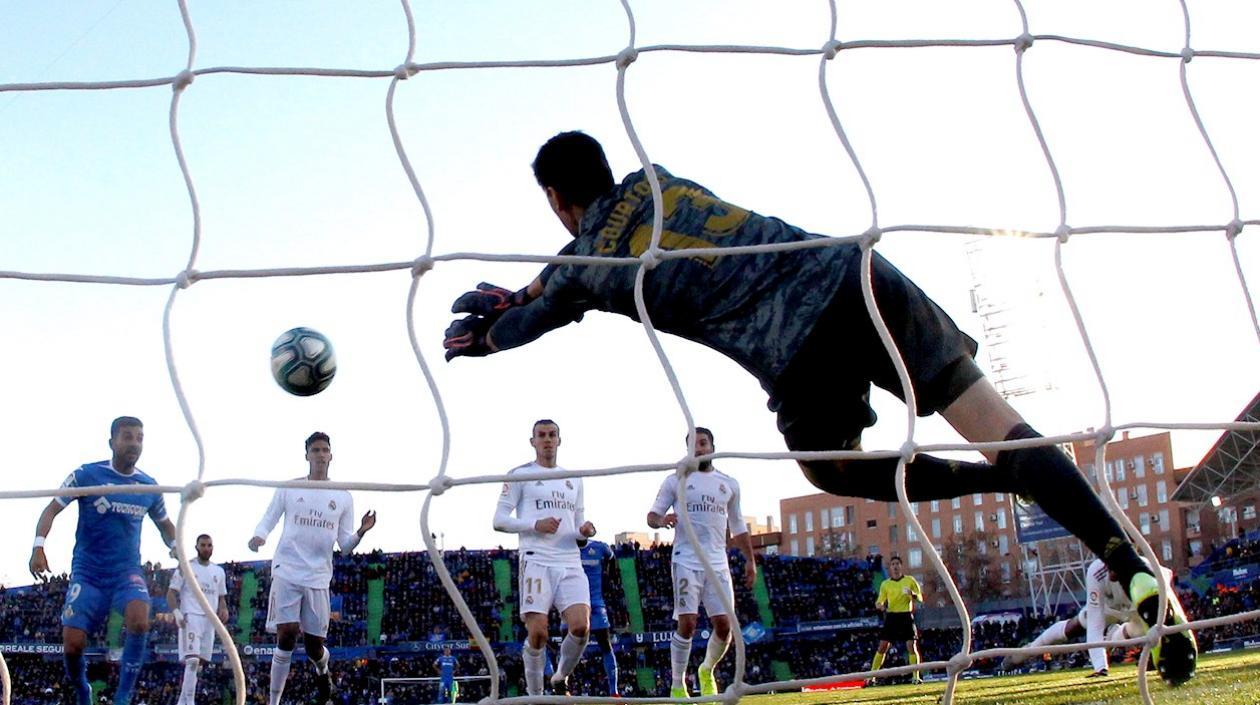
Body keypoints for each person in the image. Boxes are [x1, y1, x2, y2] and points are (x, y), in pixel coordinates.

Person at [443, 130, 1196, 685]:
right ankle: (1125, 558)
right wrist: (533, 288)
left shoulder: (585, 266)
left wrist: (490, 331)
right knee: (1003, 426)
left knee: (831, 466)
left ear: (553, 199)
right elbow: (569, 262)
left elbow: (526, 316)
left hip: (797, 347)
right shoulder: (652, 176)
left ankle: (999, 481)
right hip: (855, 269)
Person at [29, 416, 178, 705]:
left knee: (138, 618)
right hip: (88, 574)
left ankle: (123, 697)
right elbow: (51, 509)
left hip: (126, 574)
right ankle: (83, 690)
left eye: (139, 437)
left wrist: (175, 546)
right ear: (112, 442)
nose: (134, 443)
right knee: (72, 646)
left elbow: (165, 524)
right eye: (127, 436)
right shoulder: (86, 475)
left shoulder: (148, 486)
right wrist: (38, 546)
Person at [249, 432, 377, 705]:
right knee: (286, 634)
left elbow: (344, 545)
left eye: (324, 450)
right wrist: (259, 535)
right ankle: (273, 702)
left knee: (313, 646)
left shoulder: (343, 495)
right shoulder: (290, 487)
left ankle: (323, 670)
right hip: (287, 568)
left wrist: (361, 532)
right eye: (315, 449)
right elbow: (270, 516)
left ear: (331, 456)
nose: (320, 454)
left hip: (318, 576)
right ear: (306, 455)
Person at [646, 427, 756, 699]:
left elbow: (738, 525)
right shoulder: (676, 481)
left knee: (724, 625)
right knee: (688, 623)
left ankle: (706, 670)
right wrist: (662, 521)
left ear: (712, 446)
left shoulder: (728, 483)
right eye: (693, 444)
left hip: (718, 562)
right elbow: (652, 515)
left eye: (703, 443)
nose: (699, 448)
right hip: (686, 559)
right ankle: (677, 685)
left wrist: (750, 560)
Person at [492, 419, 597, 696]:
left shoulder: (574, 478)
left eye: (552, 435)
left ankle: (560, 677)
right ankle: (536, 696)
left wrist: (584, 532)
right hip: (536, 559)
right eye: (542, 435)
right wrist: (534, 524)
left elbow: (578, 529)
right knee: (538, 633)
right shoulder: (519, 475)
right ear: (533, 441)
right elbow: (499, 520)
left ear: (559, 440)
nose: (547, 440)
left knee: (581, 627)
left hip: (570, 560)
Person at [1003, 558, 1175, 676]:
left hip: (1139, 609)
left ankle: (1117, 634)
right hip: (1108, 607)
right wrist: (1101, 668)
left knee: (1140, 631)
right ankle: (1025, 652)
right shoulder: (1097, 571)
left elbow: (1165, 616)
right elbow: (1095, 625)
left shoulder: (1150, 571)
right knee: (1075, 626)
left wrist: (1158, 657)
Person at [166, 533, 229, 705]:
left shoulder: (219, 571)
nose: (206, 548)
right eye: (203, 545)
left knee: (198, 663)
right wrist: (176, 612)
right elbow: (171, 592)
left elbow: (222, 596)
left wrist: (223, 608)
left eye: (209, 545)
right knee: (192, 660)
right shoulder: (186, 566)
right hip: (191, 616)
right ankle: (190, 702)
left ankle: (182, 702)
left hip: (210, 620)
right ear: (196, 547)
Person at [575, 538, 619, 695]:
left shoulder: (600, 547)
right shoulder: (566, 547)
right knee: (568, 646)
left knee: (605, 644)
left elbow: (612, 558)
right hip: (574, 605)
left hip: (596, 604)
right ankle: (561, 686)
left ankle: (614, 692)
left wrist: (610, 576)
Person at [869, 555, 923, 686]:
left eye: (897, 563)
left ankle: (916, 676)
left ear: (901, 566)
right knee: (883, 646)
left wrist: (913, 594)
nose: (895, 566)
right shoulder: (885, 584)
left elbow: (920, 598)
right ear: (890, 567)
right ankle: (871, 677)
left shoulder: (910, 581)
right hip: (892, 617)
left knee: (911, 645)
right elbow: (879, 601)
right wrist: (880, 605)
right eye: (893, 564)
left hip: (906, 616)